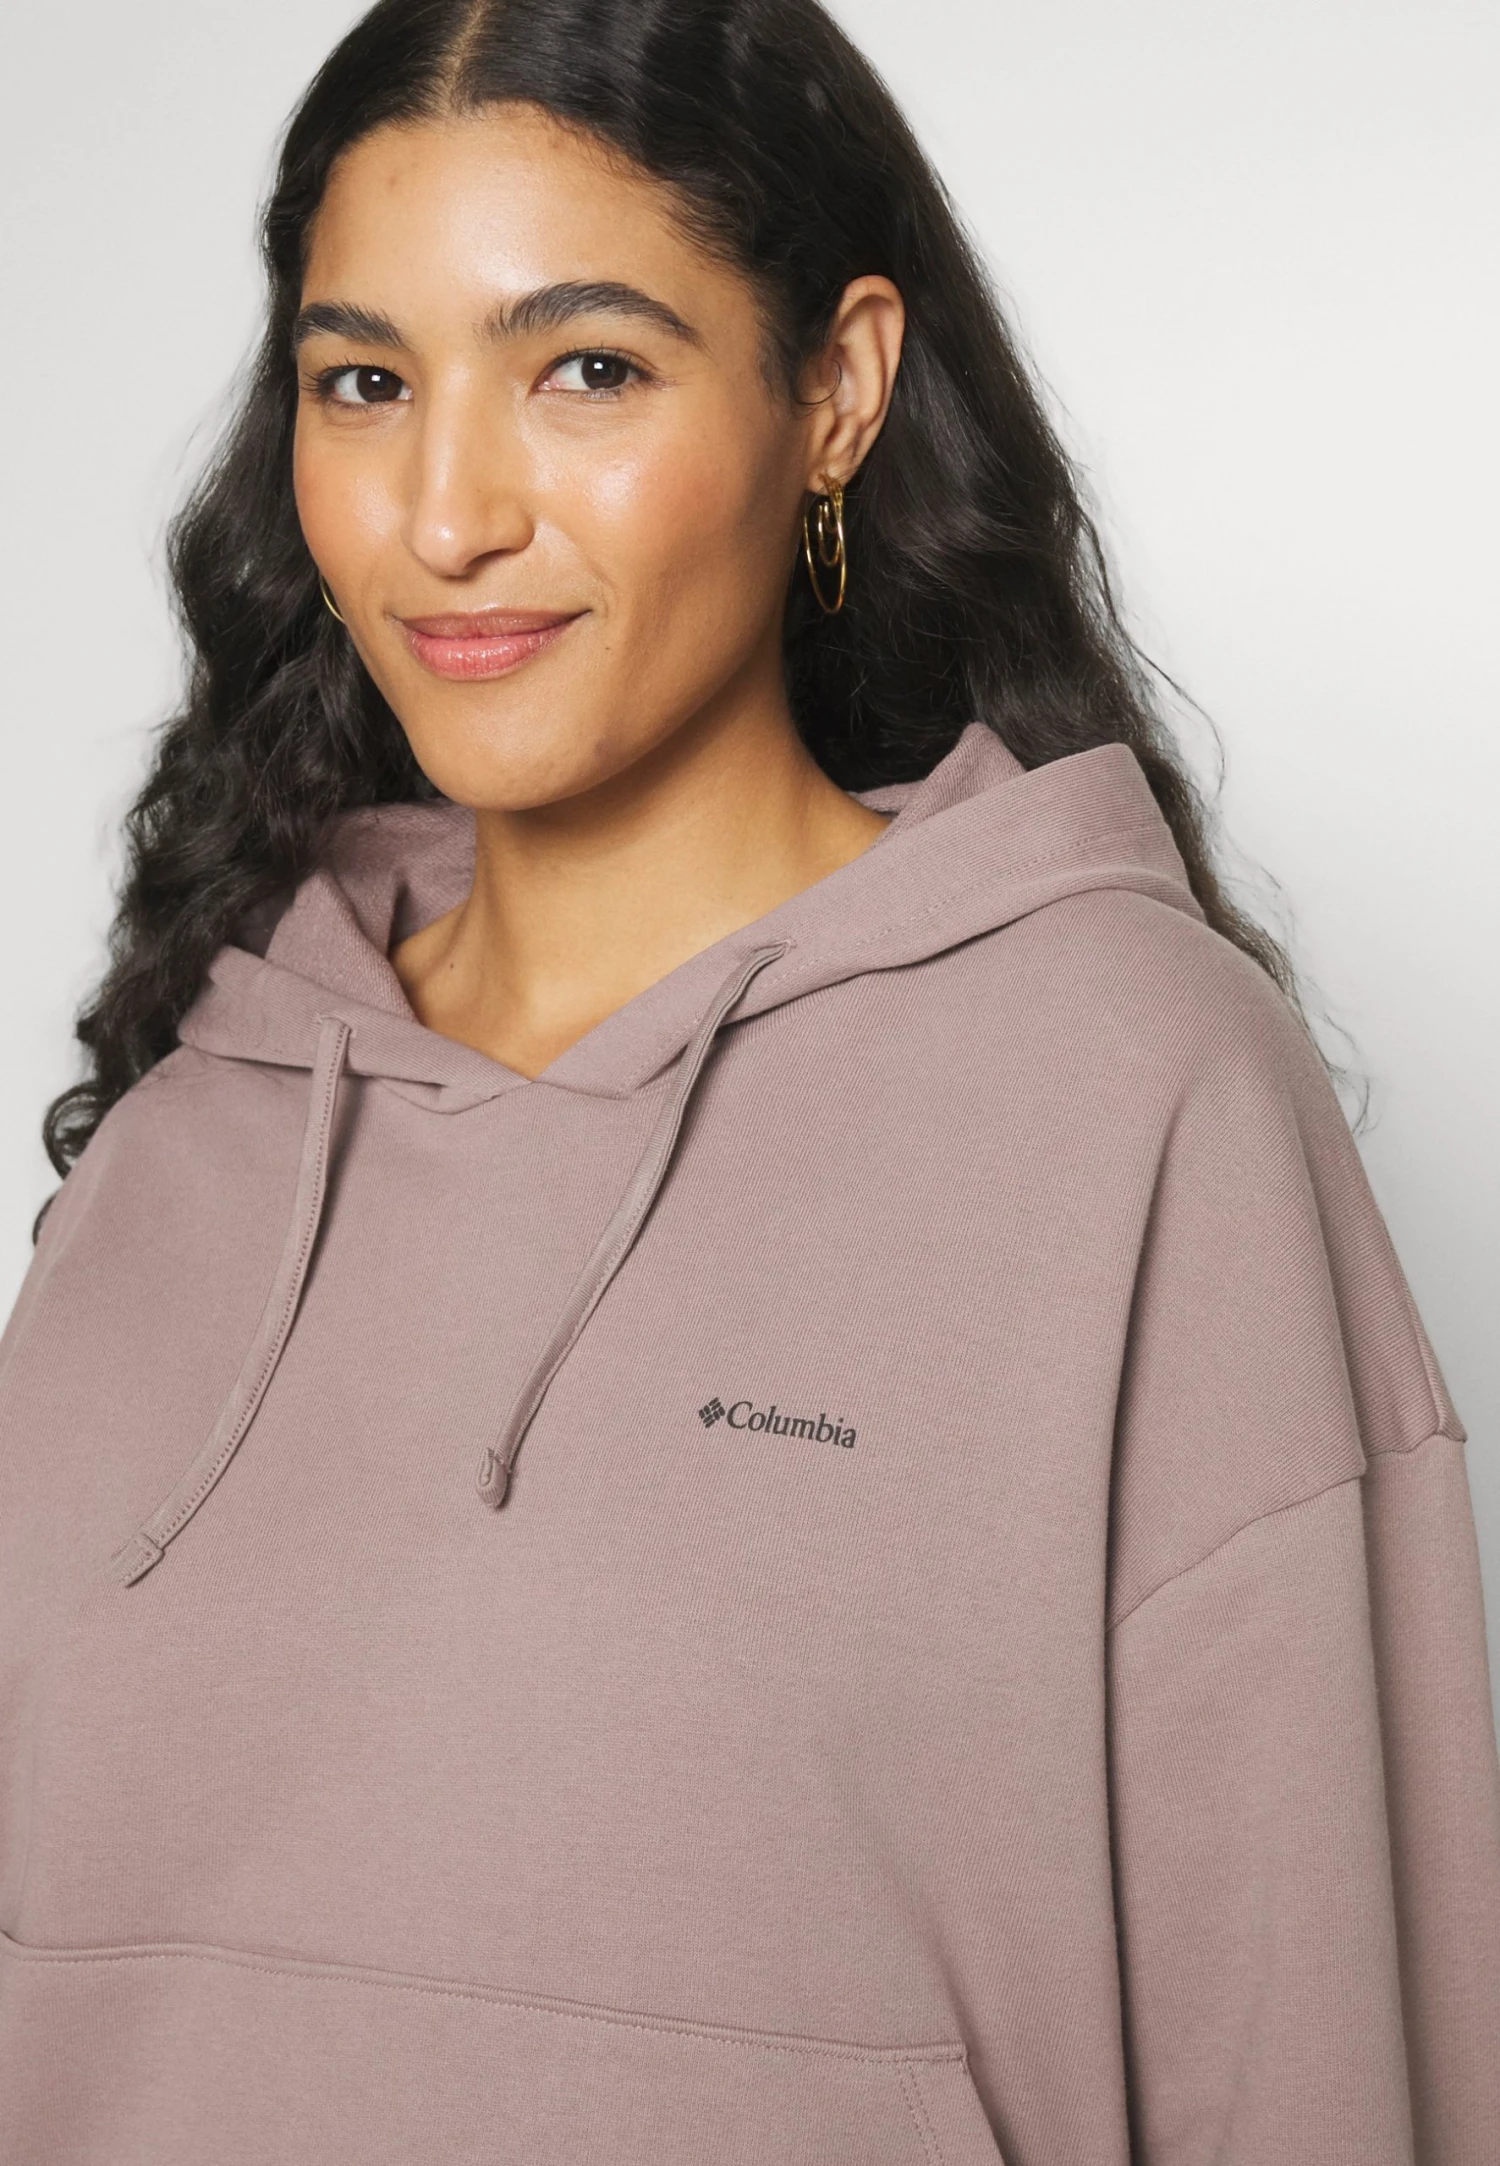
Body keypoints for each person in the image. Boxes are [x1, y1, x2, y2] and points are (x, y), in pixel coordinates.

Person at [2, 0, 1496, 2159]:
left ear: (838, 393)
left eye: (586, 368)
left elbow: (1315, 2051)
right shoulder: (191, 1132)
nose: (445, 515)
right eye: (366, 383)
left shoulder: (1130, 1096)